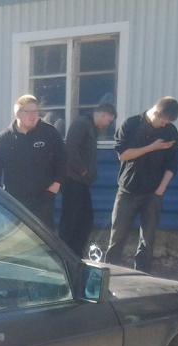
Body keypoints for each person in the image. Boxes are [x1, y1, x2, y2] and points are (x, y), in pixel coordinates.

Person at [102, 97, 178, 272]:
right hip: (128, 190)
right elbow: (123, 155)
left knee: (148, 240)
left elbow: (173, 165)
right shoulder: (131, 125)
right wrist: (153, 147)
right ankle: (109, 275)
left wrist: (160, 190)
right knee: (117, 237)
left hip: (153, 193)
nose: (165, 125)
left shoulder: (170, 131)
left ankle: (143, 275)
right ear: (156, 112)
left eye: (168, 122)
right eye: (163, 121)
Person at [0, 94, 66, 227]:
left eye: (35, 111)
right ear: (17, 113)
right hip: (14, 200)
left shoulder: (49, 133)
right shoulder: (3, 139)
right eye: (27, 112)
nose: (33, 115)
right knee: (15, 234)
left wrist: (57, 183)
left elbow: (62, 159)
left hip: (43, 197)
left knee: (43, 233)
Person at [59, 103, 118, 256]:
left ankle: (75, 253)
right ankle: (66, 253)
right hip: (73, 181)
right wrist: (84, 171)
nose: (108, 125)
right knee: (72, 219)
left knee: (85, 220)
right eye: (109, 121)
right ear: (103, 115)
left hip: (82, 182)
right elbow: (71, 150)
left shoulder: (91, 127)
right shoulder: (81, 124)